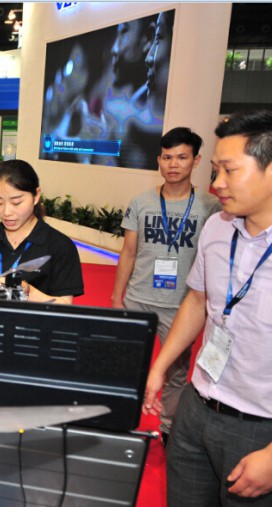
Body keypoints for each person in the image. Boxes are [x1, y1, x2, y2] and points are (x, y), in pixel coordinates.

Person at [143, 110, 272, 504]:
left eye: (230, 171)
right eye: (215, 170)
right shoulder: (217, 227)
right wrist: (160, 367)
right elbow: (198, 300)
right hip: (196, 406)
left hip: (259, 429)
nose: (217, 184)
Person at [111, 127, 220, 442]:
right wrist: (117, 298)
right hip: (138, 300)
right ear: (158, 160)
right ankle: (120, 420)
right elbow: (129, 252)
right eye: (167, 157)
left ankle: (169, 428)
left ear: (196, 160)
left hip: (181, 306)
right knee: (125, 366)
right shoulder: (141, 202)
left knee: (175, 375)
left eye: (182, 157)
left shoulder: (210, 207)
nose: (173, 164)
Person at [0, 160, 84, 304]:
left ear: (36, 196)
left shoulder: (60, 246)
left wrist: (28, 292)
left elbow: (65, 304)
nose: (6, 212)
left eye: (16, 203)